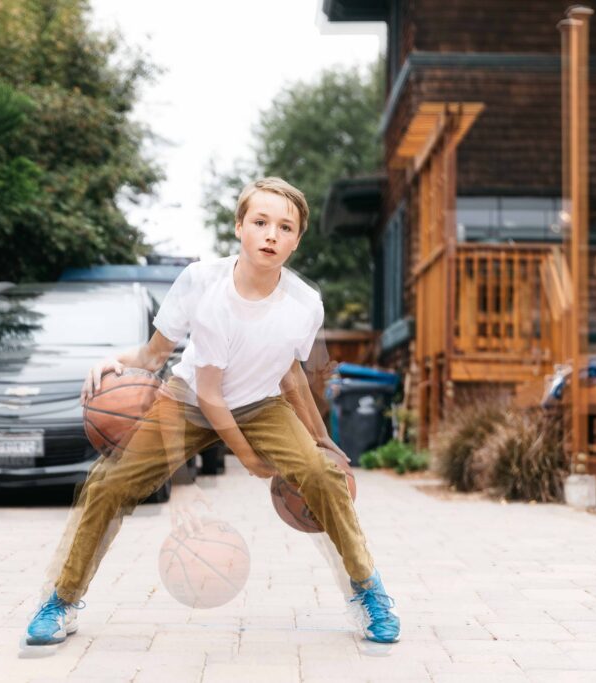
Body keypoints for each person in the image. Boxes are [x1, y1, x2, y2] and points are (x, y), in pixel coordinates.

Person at [26, 177, 400, 645]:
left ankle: (367, 591)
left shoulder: (306, 304)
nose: (271, 235)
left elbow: (291, 373)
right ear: (240, 226)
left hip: (263, 404)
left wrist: (323, 440)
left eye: (285, 227)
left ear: (297, 240)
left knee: (323, 476)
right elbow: (163, 363)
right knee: (108, 482)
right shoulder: (203, 284)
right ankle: (60, 599)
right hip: (190, 398)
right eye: (260, 222)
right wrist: (117, 363)